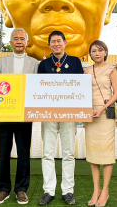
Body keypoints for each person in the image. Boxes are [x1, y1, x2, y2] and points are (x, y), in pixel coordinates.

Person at [0, 28, 40, 205]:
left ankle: (21, 189)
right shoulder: (2, 62)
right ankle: (3, 189)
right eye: (15, 38)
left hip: (25, 114)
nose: (19, 41)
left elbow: (37, 88)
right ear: (11, 42)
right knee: (3, 152)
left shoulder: (35, 63)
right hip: (4, 113)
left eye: (22, 38)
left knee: (24, 153)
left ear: (27, 42)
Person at [37, 31, 84, 206]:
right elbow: (38, 88)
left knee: (68, 153)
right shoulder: (43, 64)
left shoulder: (75, 62)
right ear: (49, 45)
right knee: (47, 153)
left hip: (69, 113)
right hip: (48, 113)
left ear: (65, 42)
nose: (56, 44)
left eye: (59, 41)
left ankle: (68, 191)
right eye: (53, 42)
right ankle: (48, 191)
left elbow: (80, 87)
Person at [83, 40, 117, 207]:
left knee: (106, 153)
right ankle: (96, 189)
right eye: (93, 51)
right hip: (90, 114)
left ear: (105, 52)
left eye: (100, 50)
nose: (97, 53)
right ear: (90, 53)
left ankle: (105, 190)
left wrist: (103, 108)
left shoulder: (112, 69)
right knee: (93, 154)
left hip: (105, 114)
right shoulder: (85, 70)